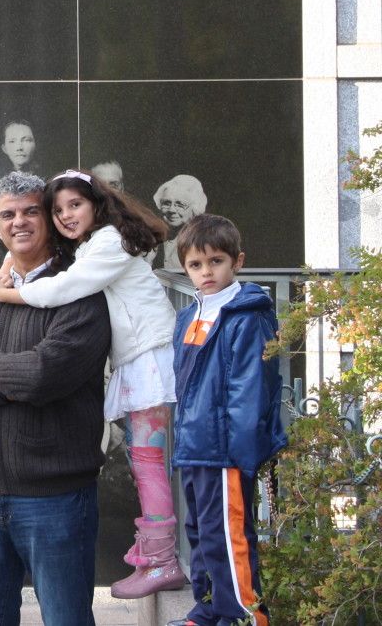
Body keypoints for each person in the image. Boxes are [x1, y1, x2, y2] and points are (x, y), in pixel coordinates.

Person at [0, 168, 184, 599]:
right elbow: (23, 252)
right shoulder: (97, 242)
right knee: (146, 461)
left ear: (96, 204)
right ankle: (159, 556)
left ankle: (164, 560)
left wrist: (5, 295)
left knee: (149, 462)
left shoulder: (109, 243)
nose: (66, 216)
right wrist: (4, 270)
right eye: (57, 210)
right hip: (140, 360)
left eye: (75, 204)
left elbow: (64, 288)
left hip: (151, 359)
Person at [0, 171, 112, 626]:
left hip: (55, 499)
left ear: (50, 218)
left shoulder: (78, 290)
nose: (20, 222)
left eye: (31, 211)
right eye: (7, 214)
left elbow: (43, 375)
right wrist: (13, 376)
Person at [169, 214, 285, 626]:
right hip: (194, 446)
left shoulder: (245, 316)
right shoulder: (189, 316)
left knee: (229, 538)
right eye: (196, 265)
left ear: (237, 261)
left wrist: (239, 455)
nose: (206, 272)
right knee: (200, 534)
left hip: (224, 451)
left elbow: (249, 391)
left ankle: (243, 616)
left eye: (215, 261)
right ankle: (208, 610)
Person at [152, 174, 207, 271]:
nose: (172, 210)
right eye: (166, 203)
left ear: (195, 208)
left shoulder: (204, 242)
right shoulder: (152, 240)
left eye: (180, 204)